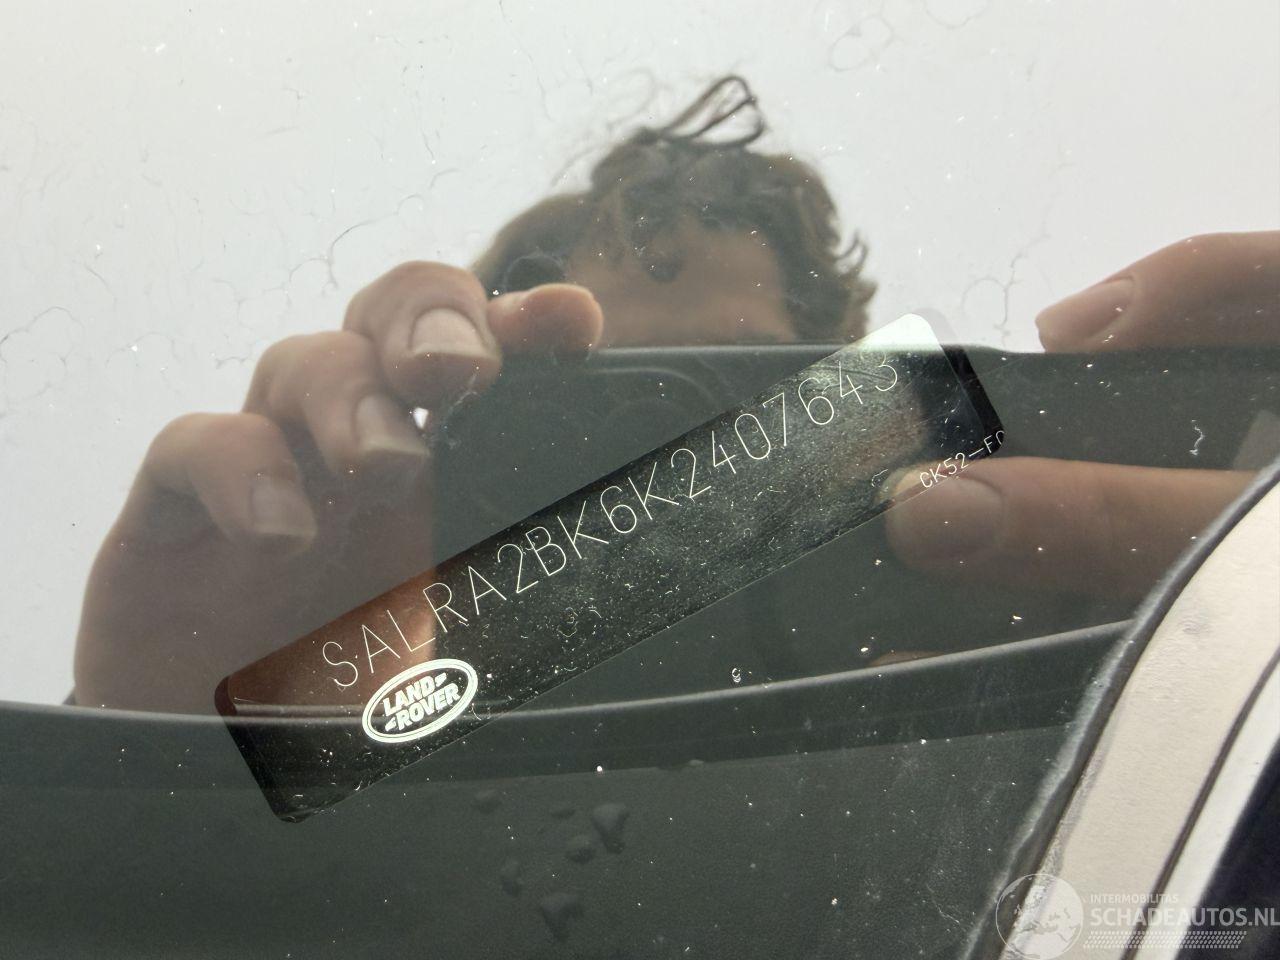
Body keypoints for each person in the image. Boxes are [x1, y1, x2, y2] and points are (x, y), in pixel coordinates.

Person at [72, 76, 875, 712]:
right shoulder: (379, 708)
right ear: (484, 427)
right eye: (603, 401)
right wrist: (181, 732)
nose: (671, 459)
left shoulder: (903, 663)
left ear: (851, 414)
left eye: (737, 389)